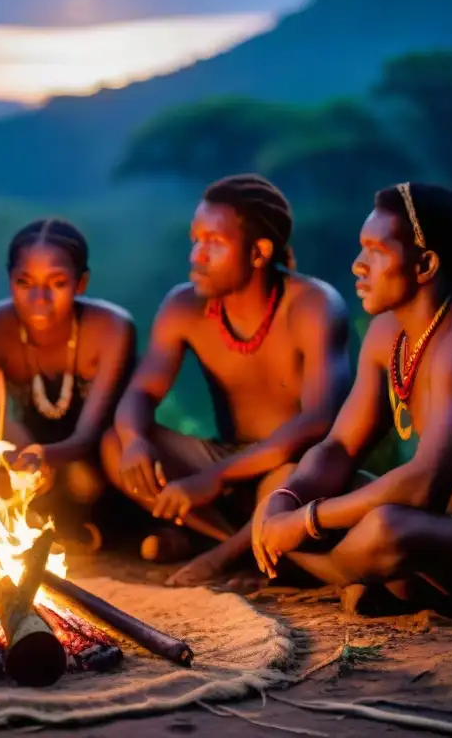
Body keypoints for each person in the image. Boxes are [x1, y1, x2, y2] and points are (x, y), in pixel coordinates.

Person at [253, 182, 452, 619]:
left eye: (375, 251)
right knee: (281, 481)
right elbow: (340, 447)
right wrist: (286, 501)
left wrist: (303, 522)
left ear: (424, 263)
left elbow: (423, 486)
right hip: (434, 527)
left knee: (387, 531)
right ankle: (377, 577)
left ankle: (335, 571)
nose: (358, 265)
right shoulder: (389, 332)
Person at [102, 173, 352, 586]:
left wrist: (213, 479)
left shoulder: (313, 305)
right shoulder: (184, 305)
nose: (197, 255)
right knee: (114, 443)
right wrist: (134, 441)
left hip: (290, 467)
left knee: (290, 481)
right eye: (194, 239)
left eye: (213, 243)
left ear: (259, 251)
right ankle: (240, 546)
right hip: (225, 458)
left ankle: (221, 557)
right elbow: (142, 392)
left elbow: (318, 421)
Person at [0, 218, 136, 551]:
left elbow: (88, 435)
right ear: (9, 279)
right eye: (24, 282)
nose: (39, 298)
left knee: (84, 481)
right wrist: (27, 460)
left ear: (81, 282)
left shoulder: (111, 327)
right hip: (27, 455)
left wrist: (48, 456)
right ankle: (41, 534)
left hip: (99, 457)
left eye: (56, 283)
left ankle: (117, 534)